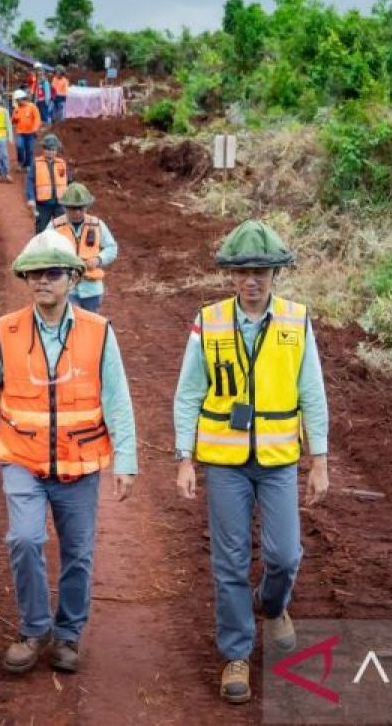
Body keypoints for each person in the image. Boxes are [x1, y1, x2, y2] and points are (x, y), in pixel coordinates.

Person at [0, 230, 137, 675]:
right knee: (24, 538)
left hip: (79, 465)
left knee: (77, 551)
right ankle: (34, 628)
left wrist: (127, 461)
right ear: (26, 279)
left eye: (53, 273)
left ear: (73, 279)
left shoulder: (98, 332)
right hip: (22, 459)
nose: (43, 281)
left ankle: (69, 635)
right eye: (35, 274)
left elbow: (117, 398)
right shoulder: (4, 331)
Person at [171, 220, 330, 705]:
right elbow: (188, 394)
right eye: (243, 271)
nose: (252, 280)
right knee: (230, 562)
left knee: (284, 555)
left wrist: (319, 460)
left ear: (275, 273)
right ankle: (236, 653)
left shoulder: (296, 322)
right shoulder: (209, 321)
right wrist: (185, 457)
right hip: (225, 462)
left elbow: (313, 394)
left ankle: (273, 603)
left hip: (280, 460)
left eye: (261, 270)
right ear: (230, 276)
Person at [48, 183, 116, 313]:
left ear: (87, 207)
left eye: (81, 208)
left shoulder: (97, 224)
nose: (78, 212)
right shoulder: (55, 226)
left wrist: (98, 259)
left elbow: (111, 248)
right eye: (73, 208)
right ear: (65, 207)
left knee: (91, 325)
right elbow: (44, 250)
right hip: (66, 287)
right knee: (71, 323)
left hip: (92, 289)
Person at [25, 133, 71, 234]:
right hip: (43, 205)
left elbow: (69, 182)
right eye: (48, 149)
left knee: (64, 230)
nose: (50, 152)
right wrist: (31, 199)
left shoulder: (62, 163)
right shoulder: (36, 163)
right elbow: (29, 181)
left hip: (60, 204)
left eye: (53, 149)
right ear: (43, 149)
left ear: (56, 150)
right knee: (41, 231)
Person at [11, 89, 41, 172]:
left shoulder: (32, 107)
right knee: (20, 147)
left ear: (22, 99)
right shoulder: (16, 109)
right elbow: (13, 120)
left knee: (30, 149)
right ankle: (20, 162)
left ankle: (27, 165)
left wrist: (35, 129)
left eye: (17, 100)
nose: (17, 102)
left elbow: (37, 119)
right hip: (20, 132)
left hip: (31, 132)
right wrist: (14, 119)